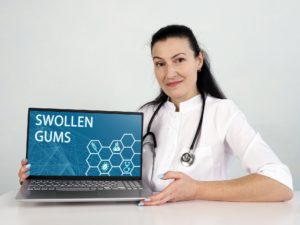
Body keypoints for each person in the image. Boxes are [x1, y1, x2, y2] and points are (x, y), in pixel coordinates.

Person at [18, 24, 293, 206]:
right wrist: (45, 173)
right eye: (159, 63)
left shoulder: (223, 112)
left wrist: (197, 189)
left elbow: (280, 183)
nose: (169, 73)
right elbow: (105, 172)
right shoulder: (146, 115)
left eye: (179, 60)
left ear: (199, 60)